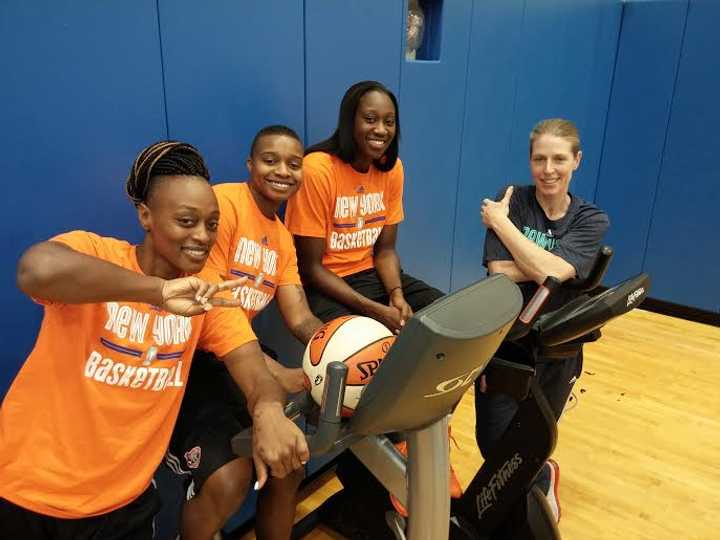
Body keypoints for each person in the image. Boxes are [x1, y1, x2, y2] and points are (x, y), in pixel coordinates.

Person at [0, 141, 308, 540]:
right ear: (146, 215)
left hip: (122, 505)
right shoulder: (99, 254)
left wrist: (268, 411)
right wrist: (157, 292)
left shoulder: (207, 292)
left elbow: (252, 368)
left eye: (212, 224)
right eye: (186, 221)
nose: (202, 236)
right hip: (26, 493)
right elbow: (34, 270)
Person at [285, 81, 449, 539]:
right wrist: (377, 309)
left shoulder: (391, 170)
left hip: (374, 279)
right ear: (349, 121)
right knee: (378, 363)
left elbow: (386, 250)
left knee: (446, 318)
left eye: (388, 121)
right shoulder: (319, 169)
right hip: (329, 286)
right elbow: (312, 268)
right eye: (370, 118)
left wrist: (396, 295)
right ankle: (370, 489)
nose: (380, 129)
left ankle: (424, 445)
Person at [165, 126, 325, 540]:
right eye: (270, 160)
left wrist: (341, 344)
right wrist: (272, 370)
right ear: (250, 164)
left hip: (239, 356)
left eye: (293, 164)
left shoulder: (283, 239)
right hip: (191, 358)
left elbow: (299, 315)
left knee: (289, 464)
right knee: (230, 479)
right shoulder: (223, 206)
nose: (282, 171)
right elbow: (213, 313)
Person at [472, 118, 609, 523]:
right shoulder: (512, 199)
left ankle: (537, 486)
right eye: (539, 159)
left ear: (577, 160)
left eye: (559, 159)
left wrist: (500, 224)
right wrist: (549, 265)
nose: (548, 169)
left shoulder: (591, 219)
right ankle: (532, 487)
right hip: (507, 343)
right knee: (493, 444)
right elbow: (500, 271)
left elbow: (554, 271)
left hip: (559, 347)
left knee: (535, 441)